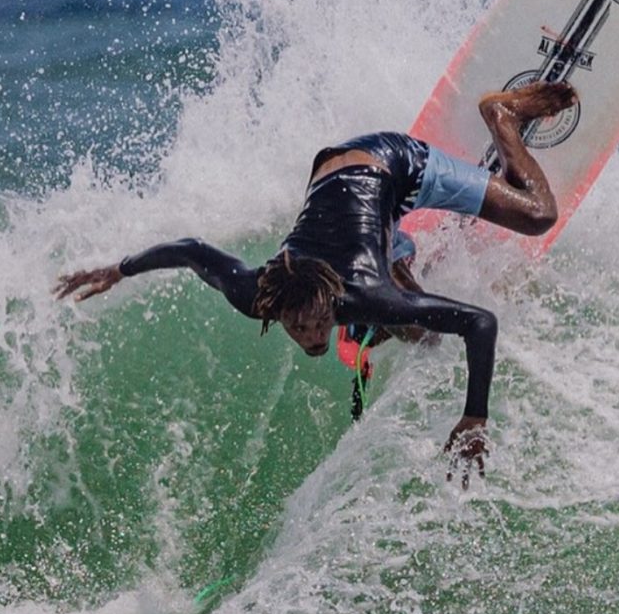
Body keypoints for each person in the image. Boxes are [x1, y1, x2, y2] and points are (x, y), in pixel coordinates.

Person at [54, 81, 578, 488]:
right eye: (297, 326)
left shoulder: (363, 296)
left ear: (334, 302)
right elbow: (191, 252)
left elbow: (480, 323)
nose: (309, 335)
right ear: (274, 309)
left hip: (394, 167)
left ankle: (501, 116)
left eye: (316, 322)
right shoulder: (259, 292)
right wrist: (118, 270)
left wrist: (474, 418)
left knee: (536, 215)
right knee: (420, 333)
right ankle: (403, 252)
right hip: (328, 175)